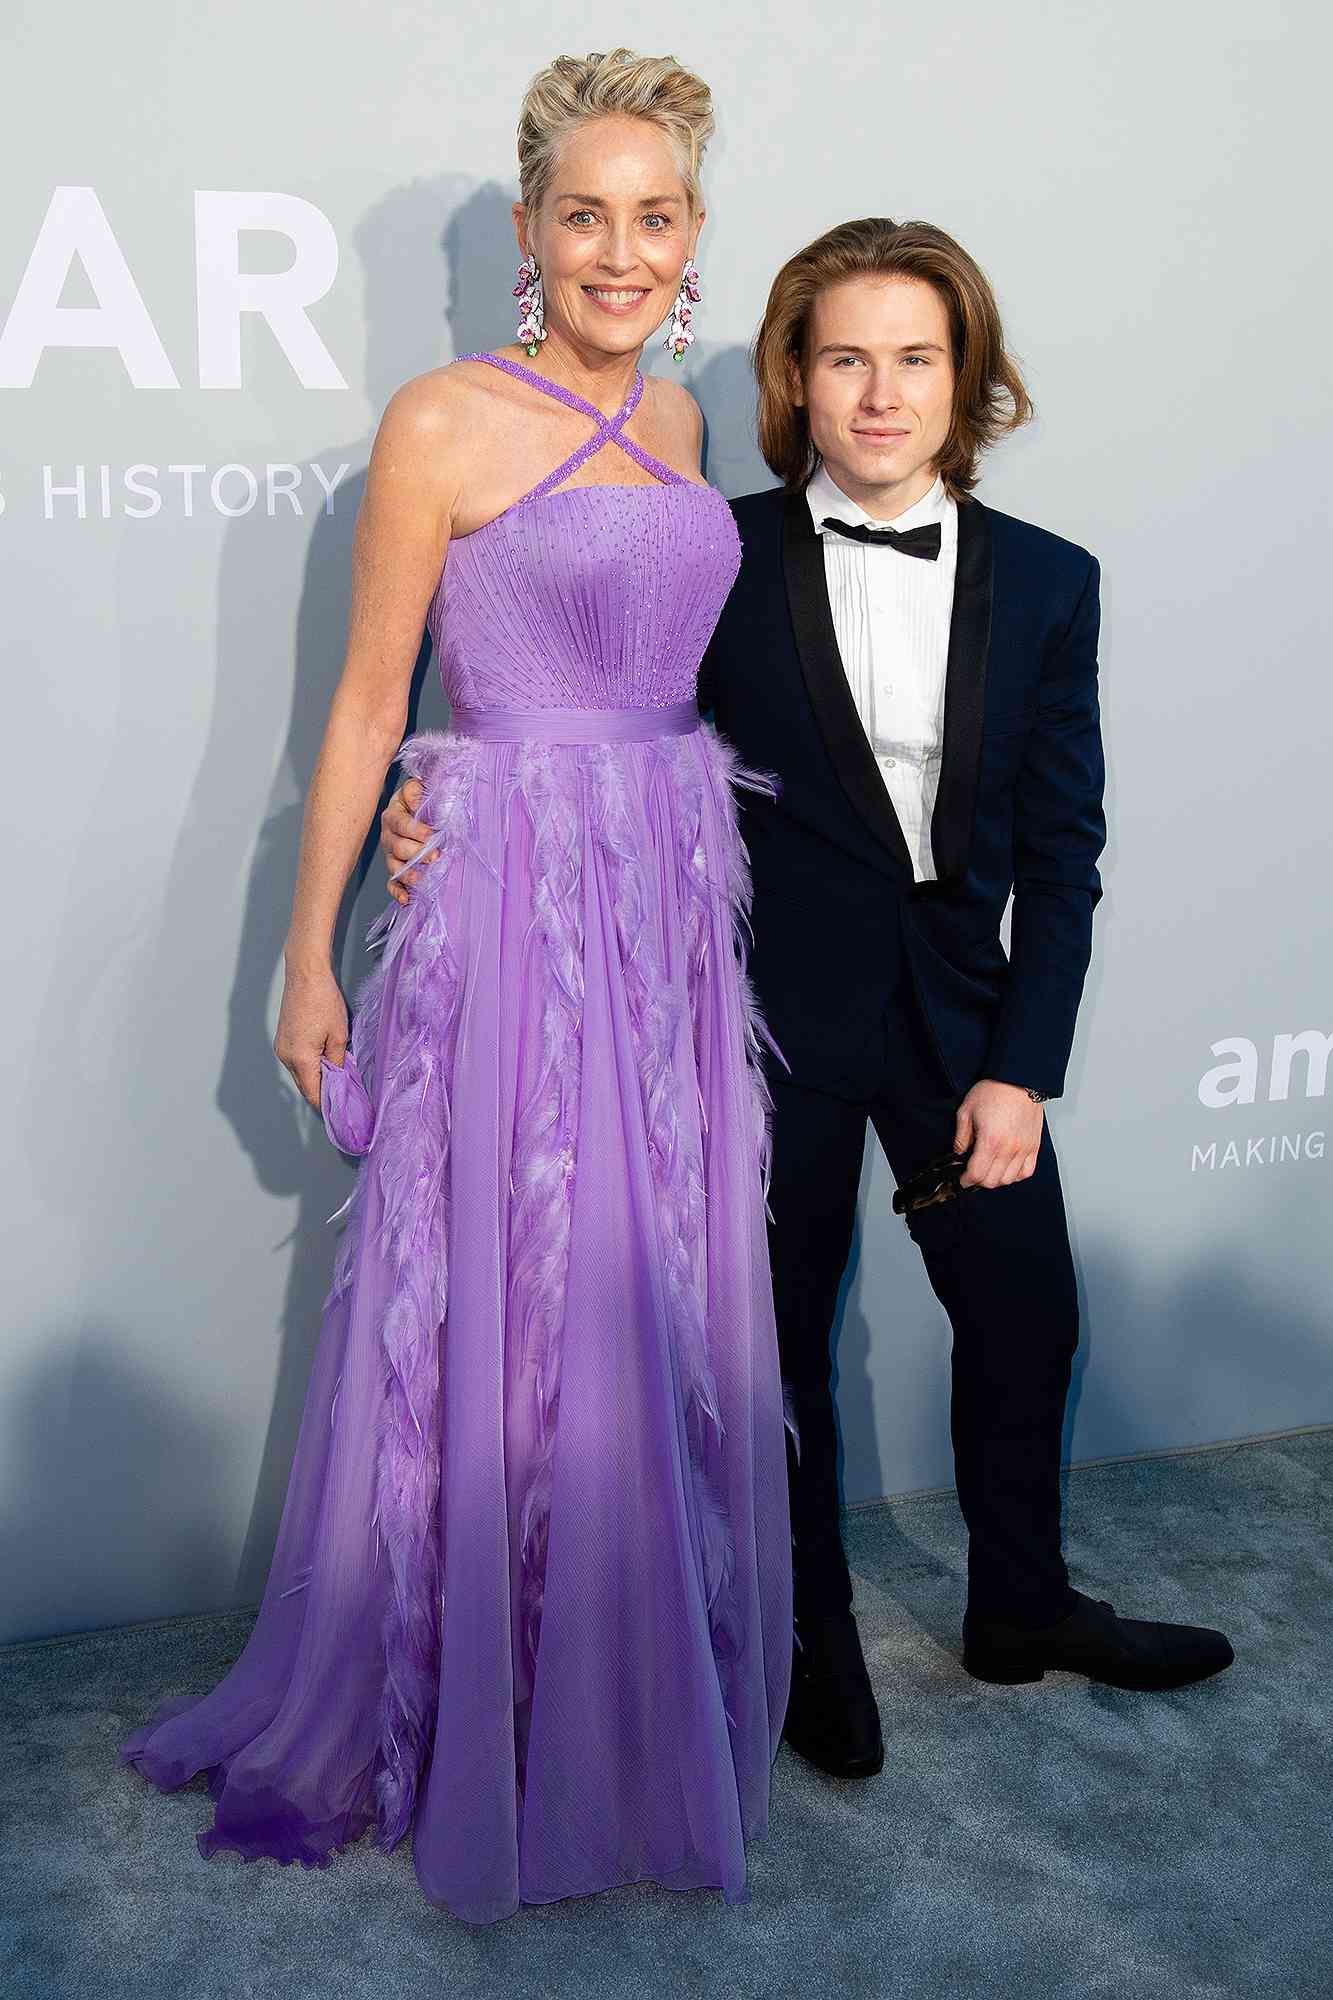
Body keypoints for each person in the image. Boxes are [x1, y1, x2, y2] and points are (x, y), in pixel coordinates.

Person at [381, 216, 1234, 1787]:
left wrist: (1024, 1068)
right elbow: (577, 698)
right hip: (757, 1025)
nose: (880, 392)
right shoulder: (719, 552)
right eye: (845, 357)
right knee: (774, 1355)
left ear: (964, 377)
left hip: (968, 1030)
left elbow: (1065, 846)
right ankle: (804, 1646)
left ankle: (1022, 1606)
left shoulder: (1053, 582)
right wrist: (437, 797)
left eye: (915, 357)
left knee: (1025, 1320)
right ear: (795, 375)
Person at [119, 50, 792, 1925]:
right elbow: (370, 701)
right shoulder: (436, 423)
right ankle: (483, 1695)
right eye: (583, 213)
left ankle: (617, 1676)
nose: (618, 246)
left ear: (690, 241)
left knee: (643, 1287)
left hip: (665, 885)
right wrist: (310, 937)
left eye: (653, 218)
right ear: (527, 231)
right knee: (511, 1277)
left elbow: (664, 667)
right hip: (511, 903)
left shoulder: (678, 426)